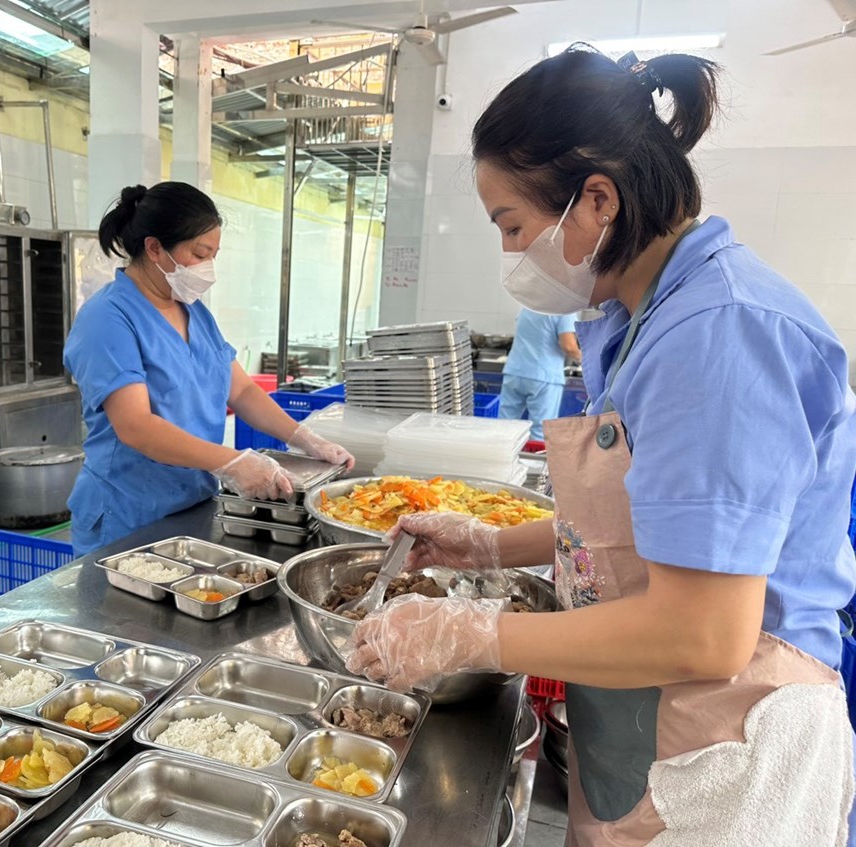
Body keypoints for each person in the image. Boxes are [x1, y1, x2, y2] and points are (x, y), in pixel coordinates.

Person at [347, 46, 856, 845]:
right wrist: (490, 544)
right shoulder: (639, 317)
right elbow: (650, 527)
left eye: (513, 226)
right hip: (648, 723)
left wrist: (473, 633)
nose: (513, 254)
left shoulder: (719, 333)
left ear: (597, 199)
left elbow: (706, 631)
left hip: (732, 748)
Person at [64, 182, 353, 556]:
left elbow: (242, 391)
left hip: (192, 503)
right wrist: (233, 463)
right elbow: (136, 426)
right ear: (154, 248)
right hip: (127, 514)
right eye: (199, 254)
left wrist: (305, 438)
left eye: (213, 256)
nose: (207, 269)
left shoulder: (194, 312)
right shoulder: (107, 319)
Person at [498, 308, 581, 439]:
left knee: (504, 426)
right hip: (544, 376)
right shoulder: (564, 310)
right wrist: (585, 360)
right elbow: (569, 346)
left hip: (515, 372)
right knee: (540, 432)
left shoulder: (529, 306)